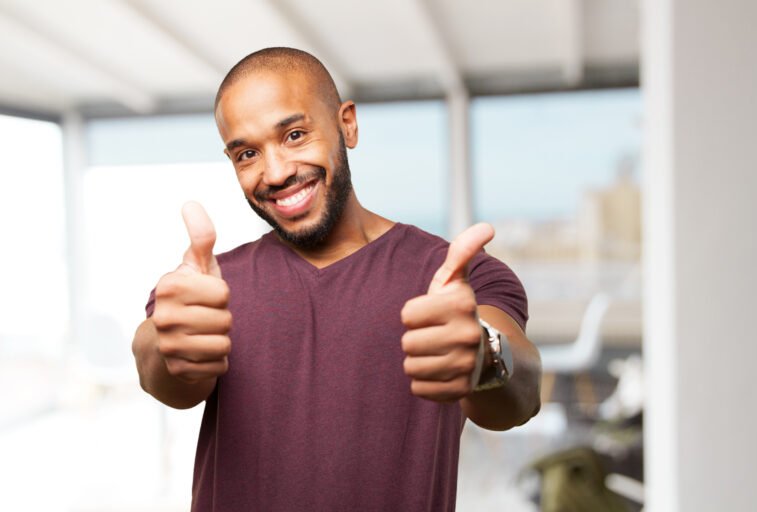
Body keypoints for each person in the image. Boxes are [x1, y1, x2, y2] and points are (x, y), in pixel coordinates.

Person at [132, 47, 542, 511]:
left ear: (347, 124)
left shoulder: (458, 277)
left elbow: (521, 397)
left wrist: (483, 356)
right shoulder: (207, 287)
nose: (276, 172)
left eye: (294, 135)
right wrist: (164, 344)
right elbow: (161, 374)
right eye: (247, 154)